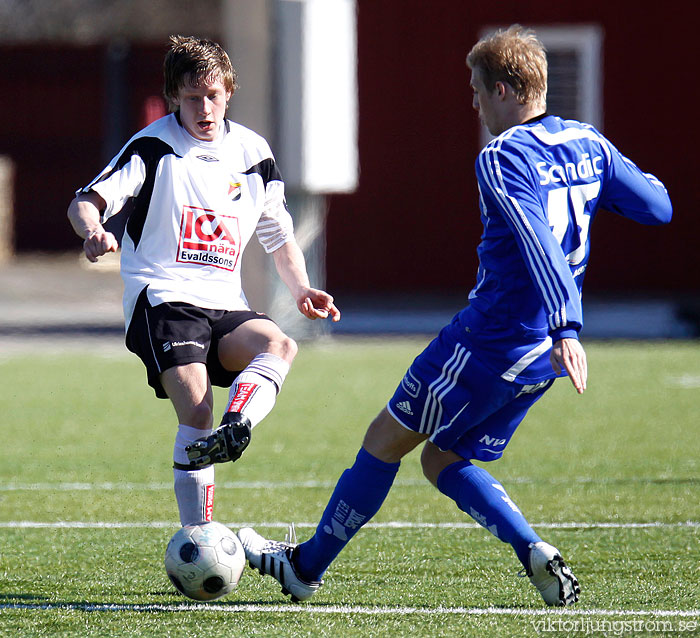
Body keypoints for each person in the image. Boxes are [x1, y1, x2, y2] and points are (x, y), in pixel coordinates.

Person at [235, 25, 672, 606]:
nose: (473, 102)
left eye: (478, 89)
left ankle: (305, 568)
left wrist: (569, 324)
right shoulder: (586, 143)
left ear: (508, 91)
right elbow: (657, 206)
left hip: (492, 340)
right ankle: (536, 552)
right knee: (442, 457)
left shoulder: (501, 156)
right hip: (540, 358)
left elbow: (536, 239)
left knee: (384, 440)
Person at [67, 35, 340, 529]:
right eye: (193, 97)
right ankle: (198, 539)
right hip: (164, 298)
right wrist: (93, 232)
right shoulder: (153, 147)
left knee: (278, 345)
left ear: (228, 93)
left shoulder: (253, 153)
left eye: (213, 95)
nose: (205, 108)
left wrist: (301, 289)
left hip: (223, 303)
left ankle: (236, 429)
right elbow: (86, 200)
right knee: (196, 410)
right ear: (174, 97)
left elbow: (278, 237)